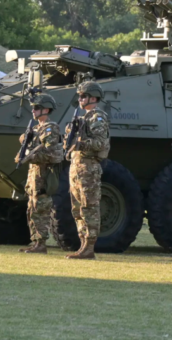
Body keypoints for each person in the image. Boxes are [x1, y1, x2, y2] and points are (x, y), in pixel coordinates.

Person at [64, 81, 110, 260]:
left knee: (89, 206)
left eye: (83, 96)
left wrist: (80, 143)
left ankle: (89, 246)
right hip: (77, 167)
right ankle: (83, 243)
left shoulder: (97, 117)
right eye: (80, 96)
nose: (80, 99)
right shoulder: (82, 118)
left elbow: (100, 143)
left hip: (89, 167)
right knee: (77, 208)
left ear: (93, 98)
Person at [16, 94, 64, 254]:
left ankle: (41, 243)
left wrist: (30, 156)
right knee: (32, 209)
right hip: (34, 176)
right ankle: (35, 241)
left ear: (46, 109)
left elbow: (50, 152)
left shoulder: (50, 128)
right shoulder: (35, 129)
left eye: (36, 108)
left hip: (44, 175)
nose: (33, 110)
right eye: (33, 107)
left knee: (41, 208)